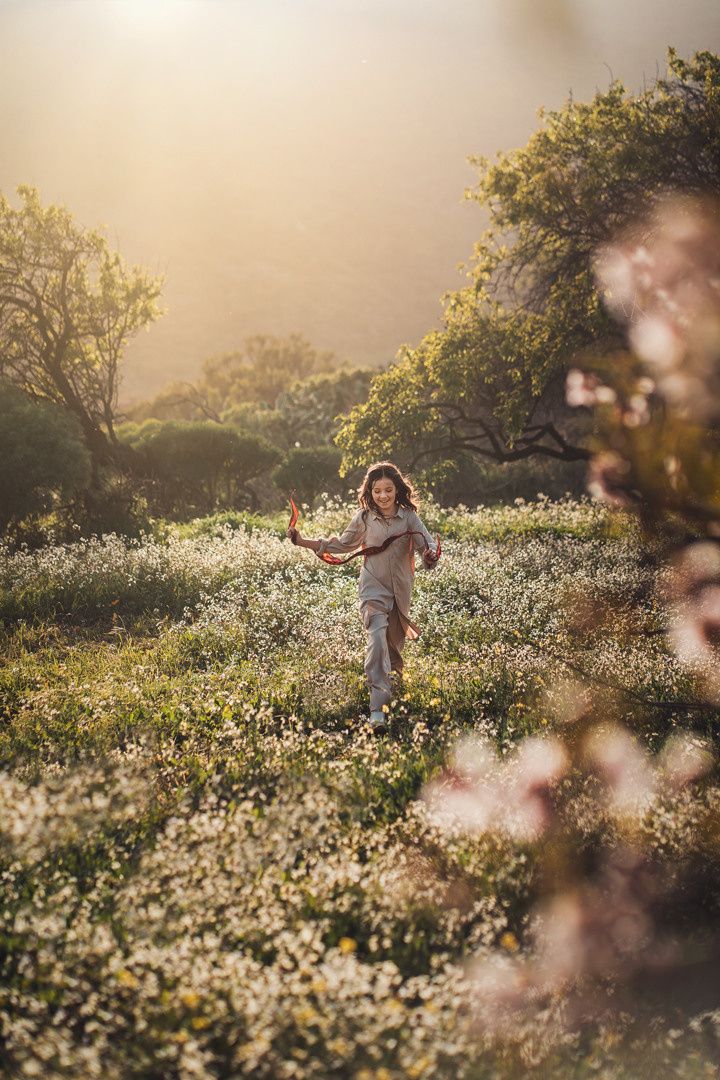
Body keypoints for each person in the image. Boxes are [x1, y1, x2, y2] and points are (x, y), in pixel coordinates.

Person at [286, 461, 440, 734]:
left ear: (397, 490)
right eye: (377, 490)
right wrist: (303, 541)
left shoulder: (409, 518)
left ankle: (396, 692)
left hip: (401, 592)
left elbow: (427, 548)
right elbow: (341, 544)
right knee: (377, 640)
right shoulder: (364, 518)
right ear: (370, 491)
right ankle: (377, 712)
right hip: (372, 589)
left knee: (393, 648)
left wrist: (430, 557)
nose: (383, 496)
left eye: (388, 490)